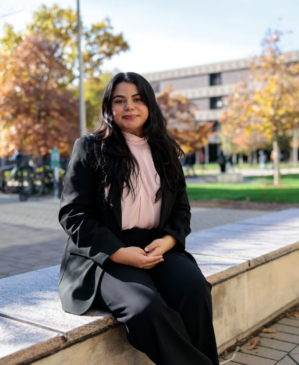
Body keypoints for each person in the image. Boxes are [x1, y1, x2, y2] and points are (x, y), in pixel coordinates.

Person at [58, 72, 218, 365]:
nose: (129, 107)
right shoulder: (90, 147)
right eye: (120, 101)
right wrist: (120, 253)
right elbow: (73, 214)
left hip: (156, 248)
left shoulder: (165, 150)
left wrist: (168, 241)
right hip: (105, 254)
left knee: (195, 290)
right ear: (109, 107)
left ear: (149, 105)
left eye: (137, 99)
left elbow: (181, 209)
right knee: (146, 308)